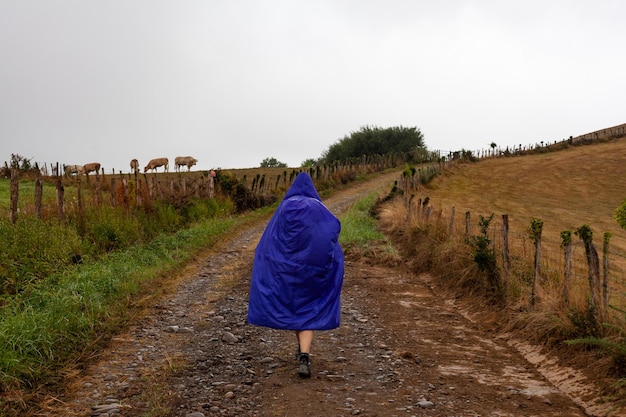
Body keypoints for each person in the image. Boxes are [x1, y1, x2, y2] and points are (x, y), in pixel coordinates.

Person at [247, 172, 345, 378]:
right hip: (313, 271)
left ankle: (302, 350)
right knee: (309, 310)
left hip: (285, 272)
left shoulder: (284, 207)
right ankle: (304, 354)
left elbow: (269, 240)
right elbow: (332, 232)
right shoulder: (319, 208)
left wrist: (265, 263)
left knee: (294, 308)